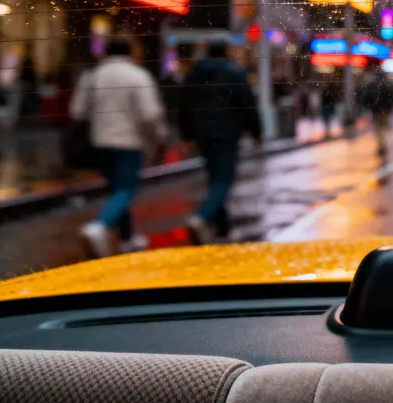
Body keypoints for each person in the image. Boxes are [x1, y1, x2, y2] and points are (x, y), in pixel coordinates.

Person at [71, 37, 168, 258]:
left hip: (101, 142)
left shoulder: (93, 76)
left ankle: (128, 238)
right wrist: (160, 139)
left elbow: (77, 112)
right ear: (130, 51)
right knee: (126, 190)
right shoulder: (138, 76)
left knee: (117, 190)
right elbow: (151, 115)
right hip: (129, 142)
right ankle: (98, 226)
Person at [179, 39, 262, 245]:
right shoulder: (234, 74)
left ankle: (222, 230)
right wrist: (256, 132)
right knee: (223, 180)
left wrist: (187, 135)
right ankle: (201, 218)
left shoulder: (194, 74)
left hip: (202, 135)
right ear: (226, 52)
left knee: (215, 180)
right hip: (226, 134)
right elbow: (246, 105)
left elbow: (184, 106)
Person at [363, 71, 393, 156]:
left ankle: (381, 143)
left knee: (378, 128)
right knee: (383, 128)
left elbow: (366, 98)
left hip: (376, 111)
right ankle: (383, 143)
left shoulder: (372, 85)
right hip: (385, 111)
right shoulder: (388, 85)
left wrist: (370, 107)